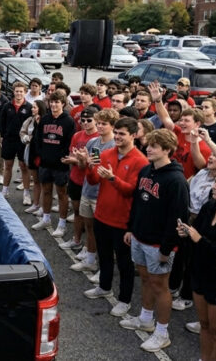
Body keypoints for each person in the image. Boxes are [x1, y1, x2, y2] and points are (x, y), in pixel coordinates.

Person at [119, 129, 188, 351]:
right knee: (146, 280)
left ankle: (162, 332)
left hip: (158, 244)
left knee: (160, 286)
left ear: (167, 149)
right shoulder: (146, 170)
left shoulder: (176, 180)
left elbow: (178, 218)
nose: (148, 149)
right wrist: (131, 228)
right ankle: (145, 318)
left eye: (154, 146)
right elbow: (138, 203)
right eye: (148, 145)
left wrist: (166, 248)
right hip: (140, 236)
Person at [83, 117, 149, 313]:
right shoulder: (105, 153)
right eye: (117, 133)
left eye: (122, 134)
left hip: (123, 220)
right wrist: (88, 167)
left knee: (124, 263)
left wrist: (113, 178)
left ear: (134, 135)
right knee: (104, 256)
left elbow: (132, 191)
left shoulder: (141, 161)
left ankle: (124, 300)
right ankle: (104, 287)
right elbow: (93, 181)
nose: (118, 137)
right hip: (102, 215)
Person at [178, 168, 216, 361]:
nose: (214, 187)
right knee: (204, 325)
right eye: (215, 182)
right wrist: (186, 233)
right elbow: (195, 233)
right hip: (199, 274)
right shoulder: (210, 206)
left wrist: (199, 240)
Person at [66, 109, 120, 282]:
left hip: (102, 195)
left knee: (104, 235)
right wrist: (82, 160)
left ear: (113, 126)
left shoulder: (114, 146)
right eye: (99, 123)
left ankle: (104, 270)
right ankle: (90, 260)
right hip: (87, 190)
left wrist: (90, 165)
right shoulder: (93, 142)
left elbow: (111, 174)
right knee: (89, 228)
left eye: (104, 124)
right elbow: (86, 168)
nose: (100, 126)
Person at [31, 91, 75, 233]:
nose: (54, 104)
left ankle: (62, 224)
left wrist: (62, 157)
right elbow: (37, 138)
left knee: (62, 193)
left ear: (63, 103)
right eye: (52, 102)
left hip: (60, 163)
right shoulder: (45, 119)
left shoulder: (68, 121)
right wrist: (41, 154)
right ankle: (46, 218)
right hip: (45, 162)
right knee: (46, 191)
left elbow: (69, 142)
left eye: (57, 102)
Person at [150, 81, 211, 179]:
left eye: (186, 121)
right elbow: (165, 118)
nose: (182, 123)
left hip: (182, 183)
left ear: (197, 123)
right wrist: (158, 100)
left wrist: (194, 143)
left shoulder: (204, 147)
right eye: (181, 120)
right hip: (166, 177)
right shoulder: (178, 132)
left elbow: (201, 167)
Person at [59, 107, 99, 241]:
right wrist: (75, 159)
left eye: (89, 120)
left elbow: (95, 163)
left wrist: (77, 160)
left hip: (89, 182)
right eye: (83, 120)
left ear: (96, 121)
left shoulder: (98, 139)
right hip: (75, 178)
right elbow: (71, 154)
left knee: (89, 219)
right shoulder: (77, 135)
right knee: (77, 212)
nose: (85, 123)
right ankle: (76, 240)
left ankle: (88, 247)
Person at [0, 81, 32, 204]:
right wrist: (2, 137)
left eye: (21, 91)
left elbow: (32, 124)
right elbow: (2, 123)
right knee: (8, 165)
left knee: (24, 167)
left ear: (25, 92)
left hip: (23, 141)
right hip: (9, 140)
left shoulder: (29, 107)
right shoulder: (6, 106)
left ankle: (26, 194)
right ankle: (5, 190)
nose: (18, 93)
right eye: (17, 91)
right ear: (13, 92)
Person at [22, 100, 48, 215]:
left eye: (34, 107)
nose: (32, 109)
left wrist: (39, 123)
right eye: (32, 107)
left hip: (41, 153)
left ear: (40, 108)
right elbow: (23, 132)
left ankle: (43, 207)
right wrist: (26, 138)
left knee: (43, 182)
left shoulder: (45, 120)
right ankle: (35, 204)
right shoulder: (30, 120)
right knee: (36, 180)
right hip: (32, 151)